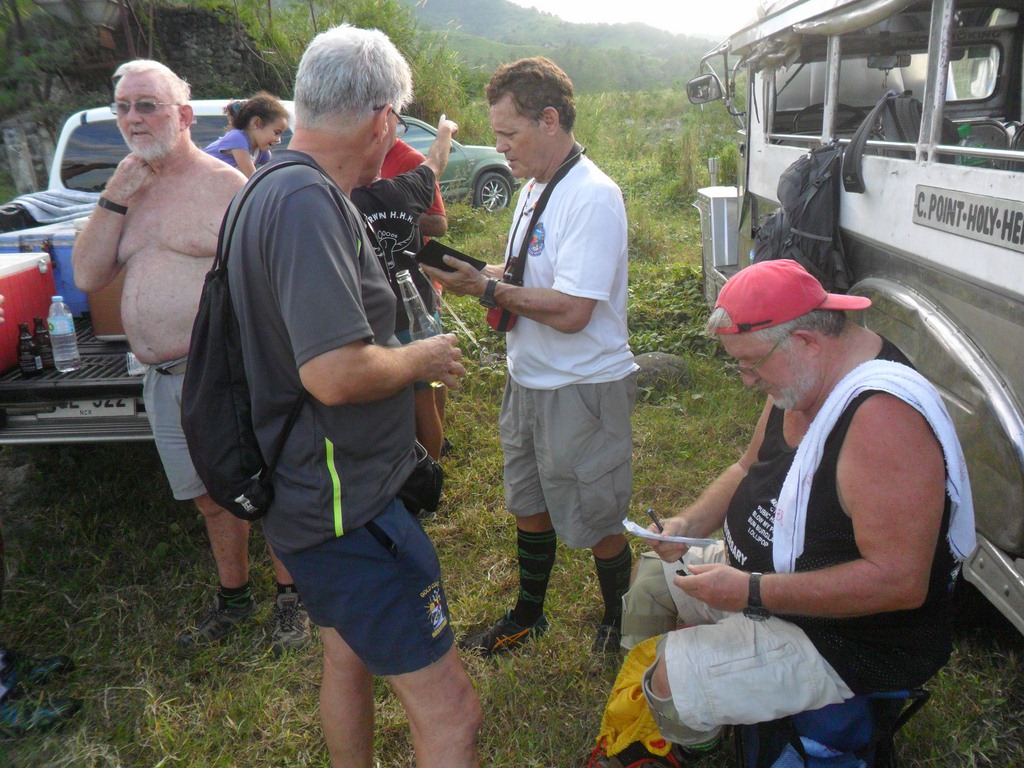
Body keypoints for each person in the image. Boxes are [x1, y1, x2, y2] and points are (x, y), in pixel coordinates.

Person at [225, 25, 481, 766]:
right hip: (348, 507)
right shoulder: (307, 202)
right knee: (453, 713)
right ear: (383, 120)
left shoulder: (267, 182)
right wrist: (420, 356)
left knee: (346, 657)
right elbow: (332, 374)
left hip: (304, 491)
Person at [604, 259, 975, 765]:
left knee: (671, 675)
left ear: (805, 339)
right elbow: (746, 466)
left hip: (845, 637)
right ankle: (692, 708)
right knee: (652, 579)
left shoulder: (884, 422)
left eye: (751, 364)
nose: (747, 380)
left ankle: (694, 738)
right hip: (764, 582)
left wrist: (752, 592)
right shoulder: (803, 376)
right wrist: (690, 525)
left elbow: (900, 583)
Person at [72, 60, 311, 656]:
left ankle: (293, 598)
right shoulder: (125, 190)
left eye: (146, 105)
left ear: (182, 115)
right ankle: (234, 599)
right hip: (162, 378)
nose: (132, 118)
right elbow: (88, 275)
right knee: (208, 499)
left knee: (264, 485)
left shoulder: (225, 185)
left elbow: (272, 279)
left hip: (226, 375)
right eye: (123, 107)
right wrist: (114, 195)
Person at [422, 57, 639, 656]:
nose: (499, 147)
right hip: (529, 378)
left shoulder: (592, 196)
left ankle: (620, 620)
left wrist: (488, 289)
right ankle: (529, 614)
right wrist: (475, 271)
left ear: (549, 120)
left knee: (596, 514)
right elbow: (524, 274)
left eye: (508, 134)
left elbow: (573, 310)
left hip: (582, 385)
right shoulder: (533, 188)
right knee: (528, 499)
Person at [351, 114, 458, 461]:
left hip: (375, 319)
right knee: (424, 399)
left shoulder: (343, 201)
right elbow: (437, 161)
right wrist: (444, 131)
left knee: (394, 403)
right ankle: (431, 469)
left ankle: (411, 468)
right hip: (414, 310)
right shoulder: (402, 190)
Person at [380, 131, 451, 457]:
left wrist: (397, 214)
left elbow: (439, 223)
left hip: (413, 293)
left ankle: (432, 461)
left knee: (427, 388)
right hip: (379, 301)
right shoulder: (350, 165)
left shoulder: (408, 161)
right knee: (400, 391)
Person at [202, 92, 290, 178]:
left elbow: (272, 172)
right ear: (256, 123)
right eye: (276, 133)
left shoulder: (260, 149)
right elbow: (252, 178)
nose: (279, 140)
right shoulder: (237, 138)